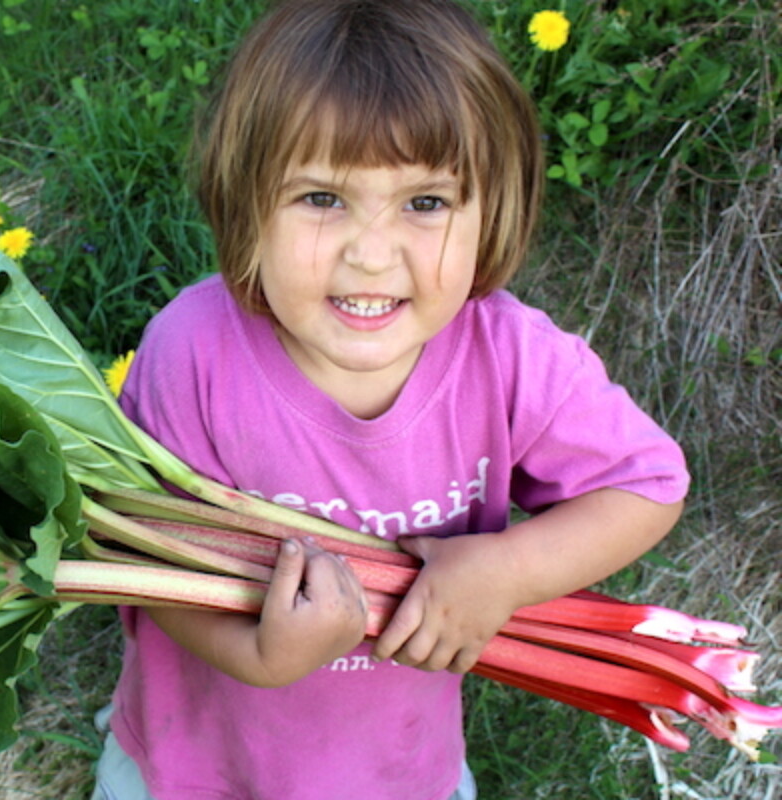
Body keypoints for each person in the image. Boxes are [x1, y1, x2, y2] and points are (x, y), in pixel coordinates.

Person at [91, 1, 690, 798]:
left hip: (403, 772)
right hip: (192, 765)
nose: (372, 256)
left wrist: (505, 571)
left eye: (426, 203)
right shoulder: (191, 350)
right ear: (246, 204)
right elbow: (147, 554)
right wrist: (259, 658)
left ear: (491, 213)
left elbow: (647, 486)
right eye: (321, 198)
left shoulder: (508, 358)